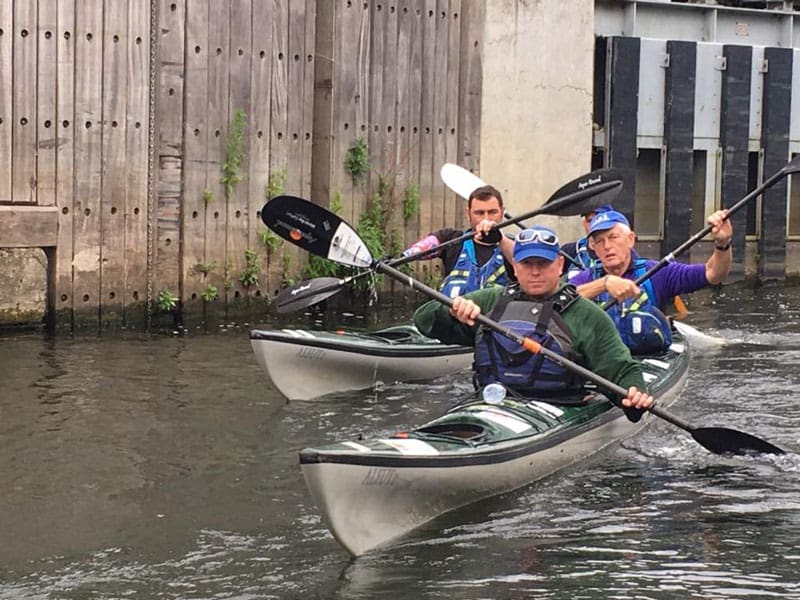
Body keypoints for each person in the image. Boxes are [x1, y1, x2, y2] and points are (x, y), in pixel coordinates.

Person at [414, 226, 654, 419]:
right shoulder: (490, 300)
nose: (535, 272)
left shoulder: (587, 315)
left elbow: (622, 369)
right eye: (527, 264)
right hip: (491, 405)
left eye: (543, 263)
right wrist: (452, 311)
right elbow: (423, 319)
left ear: (560, 264)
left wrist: (634, 393)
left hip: (558, 408)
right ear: (515, 267)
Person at [569, 209, 733, 355]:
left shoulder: (657, 272)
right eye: (599, 241)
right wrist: (604, 284)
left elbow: (713, 273)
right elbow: (556, 301)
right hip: (602, 360)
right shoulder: (585, 278)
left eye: (613, 237)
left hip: (647, 356)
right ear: (594, 248)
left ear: (630, 239)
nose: (607, 246)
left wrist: (722, 244)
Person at [401, 185, 514, 297]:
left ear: (502, 212)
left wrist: (500, 239)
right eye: (479, 213)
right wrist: (405, 256)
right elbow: (423, 247)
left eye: (492, 212)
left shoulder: (515, 246)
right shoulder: (452, 239)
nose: (486, 219)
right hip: (454, 313)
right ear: (468, 213)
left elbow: (521, 261)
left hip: (495, 315)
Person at [560, 204, 614, 279]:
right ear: (584, 224)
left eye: (599, 219)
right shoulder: (570, 251)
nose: (594, 224)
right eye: (590, 220)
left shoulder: (620, 252)